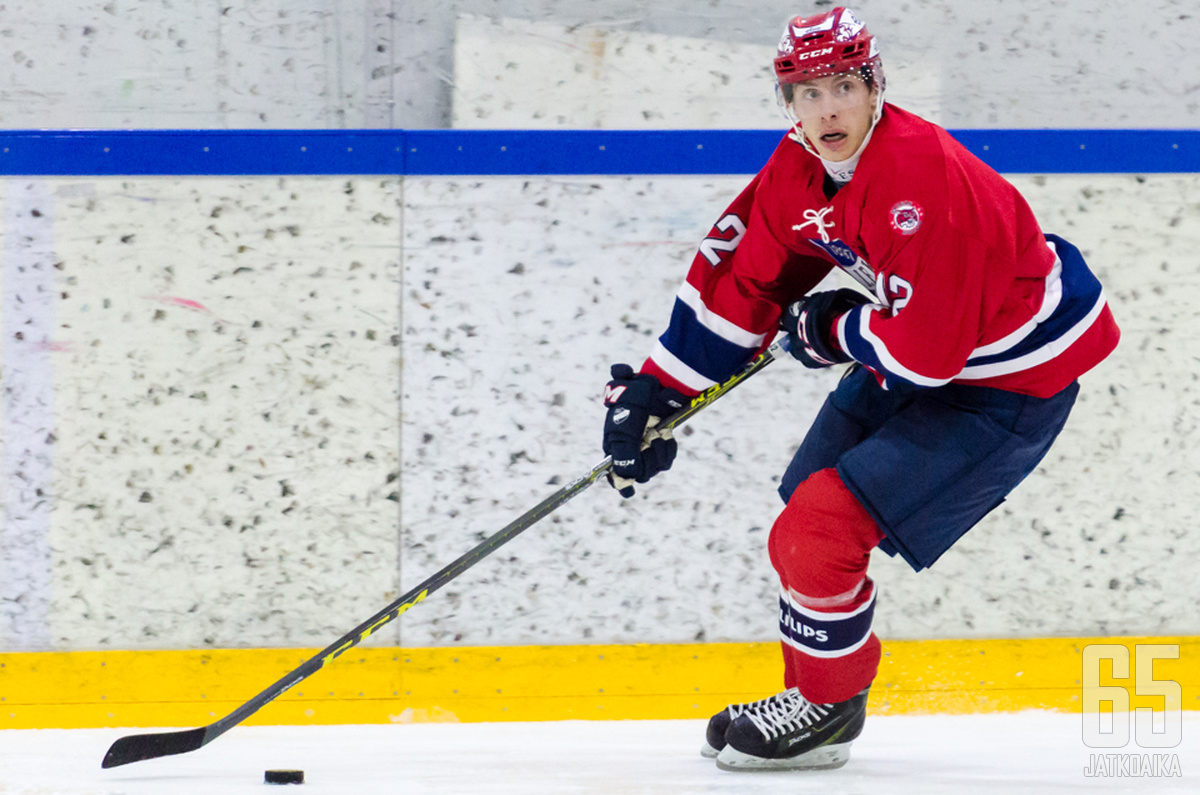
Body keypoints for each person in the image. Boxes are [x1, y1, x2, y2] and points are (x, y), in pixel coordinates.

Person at [600, 6, 1120, 773]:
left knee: (818, 530)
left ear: (875, 86)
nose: (827, 109)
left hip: (1009, 383)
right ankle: (817, 698)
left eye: (843, 85)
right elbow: (744, 282)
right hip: (918, 350)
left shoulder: (922, 179)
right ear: (787, 104)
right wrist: (655, 394)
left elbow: (930, 352)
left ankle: (826, 708)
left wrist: (834, 328)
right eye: (805, 93)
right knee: (803, 510)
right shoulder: (799, 168)